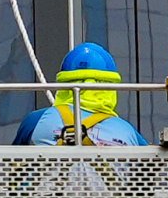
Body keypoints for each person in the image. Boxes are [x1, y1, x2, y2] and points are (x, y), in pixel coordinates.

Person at [13, 42, 147, 148]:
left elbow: (14, 169)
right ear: (109, 86)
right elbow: (151, 174)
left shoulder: (35, 120)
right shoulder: (128, 132)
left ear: (64, 84)